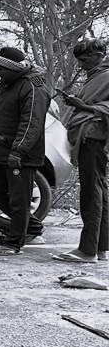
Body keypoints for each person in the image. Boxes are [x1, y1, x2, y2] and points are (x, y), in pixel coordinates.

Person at [0, 46, 51, 256]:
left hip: (20, 156)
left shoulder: (32, 87)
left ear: (12, 68)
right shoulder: (4, 86)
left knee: (19, 200)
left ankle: (14, 243)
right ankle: (33, 227)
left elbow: (32, 123)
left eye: (1, 68)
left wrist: (18, 151)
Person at [54, 38, 109, 263]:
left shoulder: (106, 76)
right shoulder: (96, 76)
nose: (81, 65)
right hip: (90, 137)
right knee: (99, 190)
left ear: (99, 55)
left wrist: (83, 106)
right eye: (79, 61)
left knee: (91, 192)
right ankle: (101, 248)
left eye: (85, 59)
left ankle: (87, 251)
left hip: (94, 138)